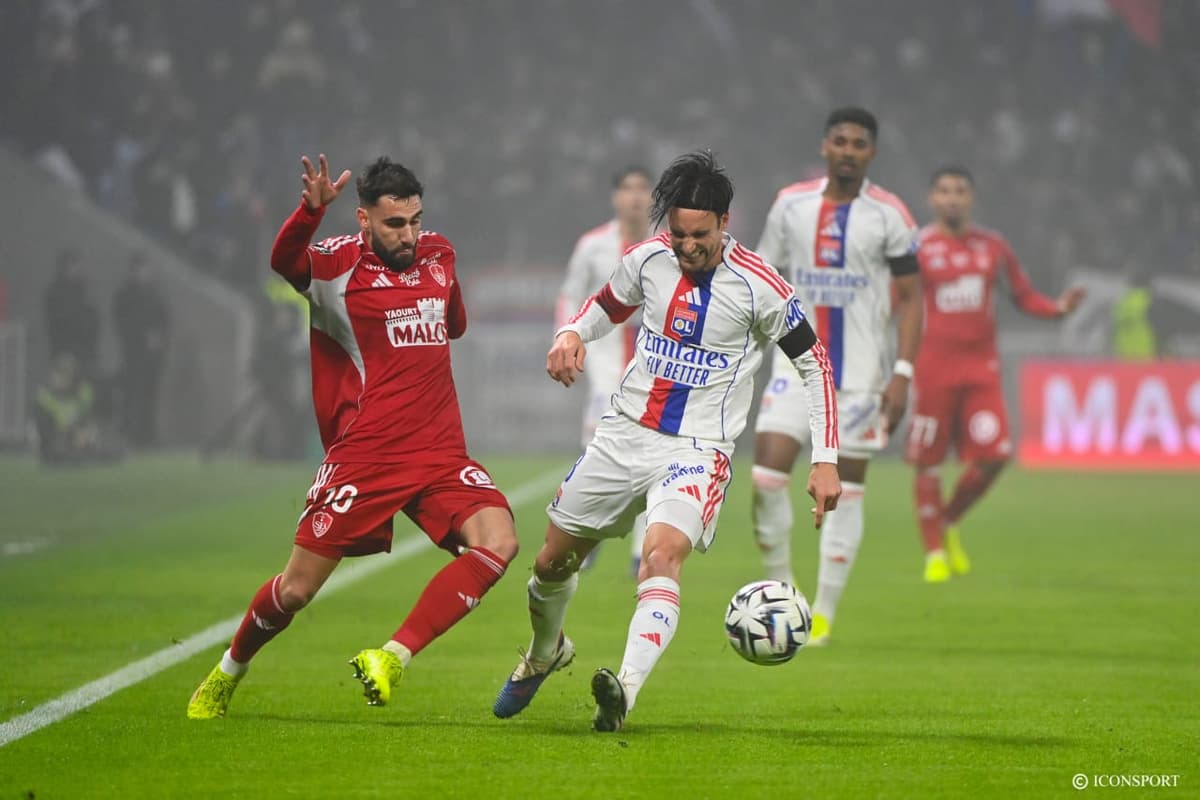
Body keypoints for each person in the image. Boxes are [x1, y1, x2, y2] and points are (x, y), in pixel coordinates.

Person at [492, 151, 841, 732]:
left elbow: (815, 365)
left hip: (698, 450)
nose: (687, 245)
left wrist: (825, 458)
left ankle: (622, 692)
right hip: (624, 433)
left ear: (724, 224)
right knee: (552, 563)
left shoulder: (761, 286)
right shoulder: (648, 260)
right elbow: (605, 308)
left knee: (660, 556)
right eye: (678, 233)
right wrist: (572, 333)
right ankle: (544, 652)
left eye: (700, 235)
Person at [187, 155, 519, 719]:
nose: (409, 234)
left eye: (415, 220)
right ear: (364, 220)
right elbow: (284, 260)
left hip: (439, 451)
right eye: (395, 224)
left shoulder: (439, 253)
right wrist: (308, 213)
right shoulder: (336, 265)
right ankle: (228, 671)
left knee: (499, 542)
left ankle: (392, 656)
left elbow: (452, 322)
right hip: (365, 456)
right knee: (294, 592)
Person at [749, 107, 922, 646]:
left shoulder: (890, 214)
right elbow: (762, 277)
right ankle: (784, 589)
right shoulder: (790, 204)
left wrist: (902, 373)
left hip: (862, 377)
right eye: (840, 141)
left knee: (844, 491)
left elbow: (913, 299)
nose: (848, 150)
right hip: (795, 364)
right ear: (825, 146)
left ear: (871, 153)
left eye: (859, 144)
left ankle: (822, 612)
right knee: (766, 477)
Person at [906, 166, 1085, 581]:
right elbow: (901, 303)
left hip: (980, 369)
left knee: (995, 456)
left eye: (960, 191)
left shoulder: (992, 246)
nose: (952, 198)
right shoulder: (917, 247)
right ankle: (934, 553)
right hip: (933, 368)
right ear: (932, 199)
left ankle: (947, 521)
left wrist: (1057, 309)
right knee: (928, 463)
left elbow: (1022, 294)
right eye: (944, 191)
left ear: (971, 198)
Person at [556, 165, 653, 575]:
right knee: (596, 451)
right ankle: (586, 533)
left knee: (652, 453)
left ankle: (641, 551)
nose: (634, 197)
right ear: (615, 197)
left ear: (652, 197)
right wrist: (565, 339)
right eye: (627, 189)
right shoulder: (593, 245)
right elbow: (570, 295)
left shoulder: (668, 246)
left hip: (652, 366)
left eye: (642, 189)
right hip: (605, 364)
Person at [112, 253, 170, 448]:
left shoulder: (155, 295)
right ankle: (130, 434)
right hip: (133, 353)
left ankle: (147, 435)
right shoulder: (125, 296)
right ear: (133, 271)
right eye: (142, 269)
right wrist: (142, 336)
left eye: (148, 270)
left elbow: (164, 320)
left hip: (152, 356)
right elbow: (122, 323)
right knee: (132, 394)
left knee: (149, 395)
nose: (145, 274)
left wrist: (159, 338)